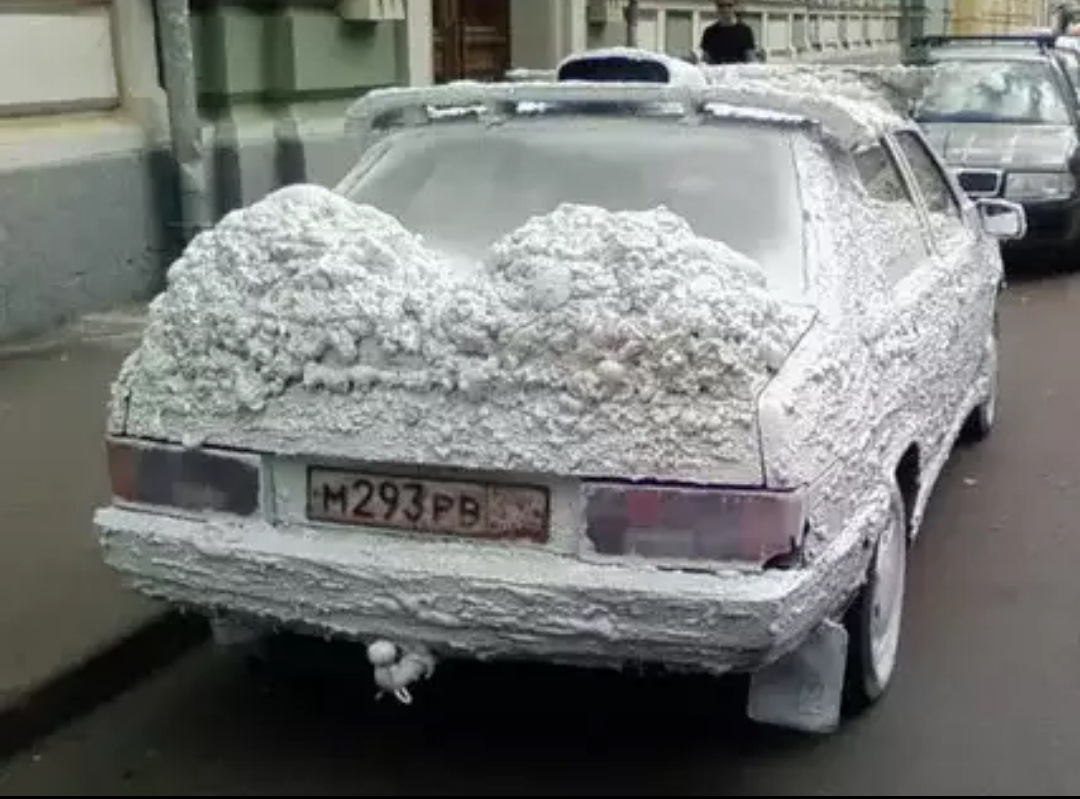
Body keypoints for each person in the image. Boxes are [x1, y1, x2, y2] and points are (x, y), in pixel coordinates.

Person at [699, 0, 757, 64]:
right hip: (716, 69)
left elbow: (751, 60)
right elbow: (705, 61)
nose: (725, 9)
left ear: (735, 7)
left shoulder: (745, 31)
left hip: (738, 69)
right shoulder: (709, 32)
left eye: (729, 5)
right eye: (721, 6)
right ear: (716, 7)